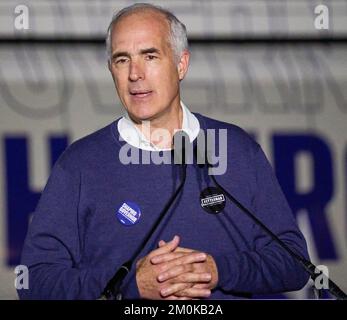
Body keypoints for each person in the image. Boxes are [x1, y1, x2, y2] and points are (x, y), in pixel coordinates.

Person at [18, 3, 310, 300]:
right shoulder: (79, 165)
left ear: (181, 64)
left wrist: (215, 269)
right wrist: (129, 286)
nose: (135, 74)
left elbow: (294, 264)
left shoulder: (236, 150)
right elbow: (35, 281)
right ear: (111, 70)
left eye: (150, 56)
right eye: (122, 60)